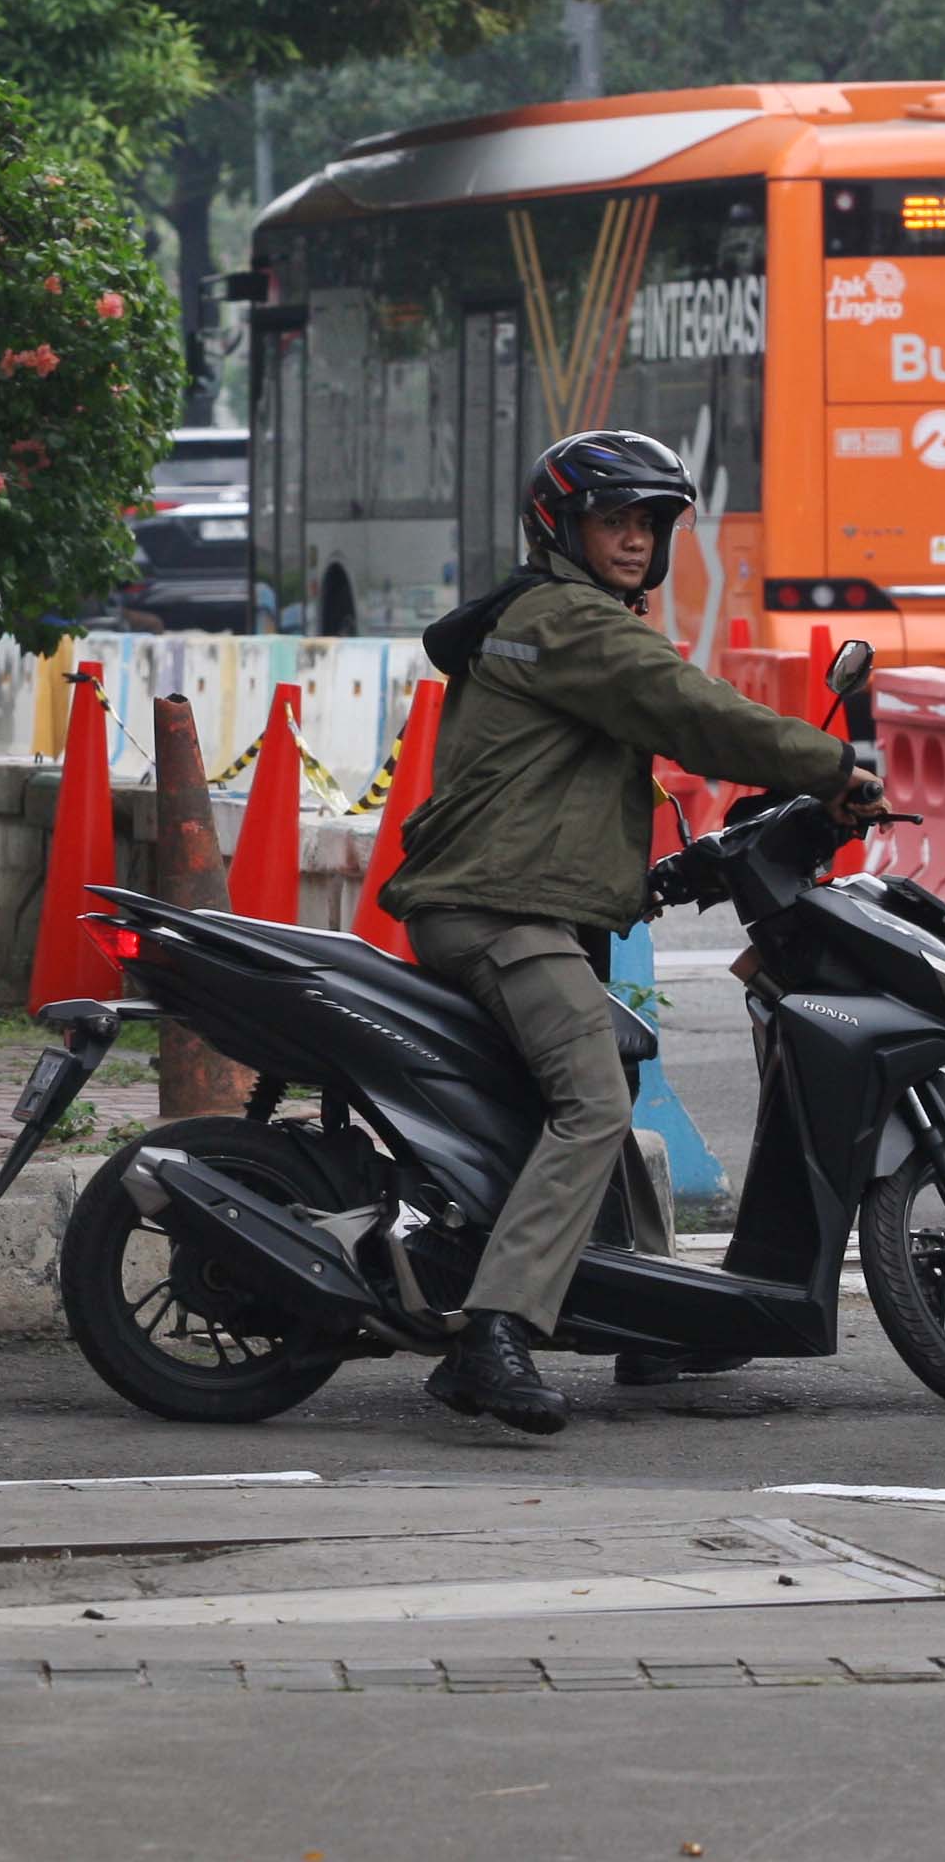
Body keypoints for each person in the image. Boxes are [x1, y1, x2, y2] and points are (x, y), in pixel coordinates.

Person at [378, 430, 874, 1435]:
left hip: (517, 897)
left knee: (609, 1069)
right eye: (616, 518)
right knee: (594, 1097)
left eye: (651, 521)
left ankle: (650, 1315)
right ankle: (494, 1331)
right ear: (563, 525)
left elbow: (573, 776)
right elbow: (691, 707)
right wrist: (831, 763)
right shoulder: (572, 624)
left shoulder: (547, 620)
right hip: (497, 911)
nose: (638, 538)